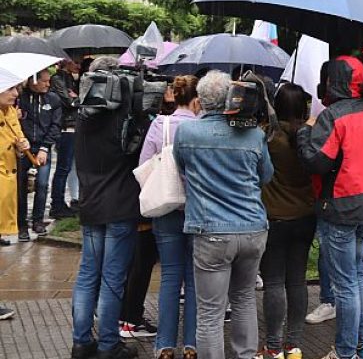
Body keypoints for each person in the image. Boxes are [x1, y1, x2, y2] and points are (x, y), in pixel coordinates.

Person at [174, 71, 274, 359]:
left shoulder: (187, 132)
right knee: (244, 299)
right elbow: (266, 176)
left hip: (211, 232)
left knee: (210, 312)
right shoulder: (254, 134)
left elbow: (181, 167)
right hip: (253, 228)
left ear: (201, 100)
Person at [297, 56, 363, 359]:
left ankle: (345, 351)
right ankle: (362, 346)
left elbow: (317, 161)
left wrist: (303, 134)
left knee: (345, 284)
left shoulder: (333, 116)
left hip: (340, 209)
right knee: (358, 277)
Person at [71, 57, 143, 359]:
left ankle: (81, 341)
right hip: (120, 205)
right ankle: (108, 343)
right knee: (113, 277)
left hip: (91, 204)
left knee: (88, 274)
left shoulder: (82, 118)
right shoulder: (124, 119)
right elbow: (136, 154)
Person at [139, 75, 200, 359]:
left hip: (165, 209)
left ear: (175, 96)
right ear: (197, 99)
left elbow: (144, 166)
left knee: (170, 277)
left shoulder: (159, 124)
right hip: (196, 209)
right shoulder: (201, 128)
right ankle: (191, 344)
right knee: (194, 278)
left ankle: (164, 345)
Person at [258, 83, 316, 359]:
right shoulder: (311, 136)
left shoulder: (267, 137)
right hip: (305, 217)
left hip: (273, 217)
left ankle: (272, 345)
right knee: (297, 280)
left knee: (273, 282)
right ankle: (294, 344)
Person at [17, 69, 62, 239]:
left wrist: (45, 147)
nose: (48, 84)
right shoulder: (19, 99)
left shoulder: (53, 99)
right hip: (23, 149)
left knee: (42, 185)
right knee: (21, 186)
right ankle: (21, 224)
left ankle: (38, 220)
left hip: (43, 148)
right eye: (44, 81)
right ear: (33, 81)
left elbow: (56, 125)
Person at [1, 82, 32, 318]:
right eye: (10, 89)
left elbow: (17, 139)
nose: (15, 94)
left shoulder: (10, 111)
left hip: (6, 188)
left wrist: (22, 146)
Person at [50, 59, 81, 218]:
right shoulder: (58, 79)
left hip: (72, 126)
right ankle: (57, 204)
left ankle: (68, 201)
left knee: (71, 166)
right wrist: (79, 99)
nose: (78, 65)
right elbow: (69, 102)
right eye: (75, 61)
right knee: (64, 168)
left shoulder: (70, 79)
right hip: (66, 127)